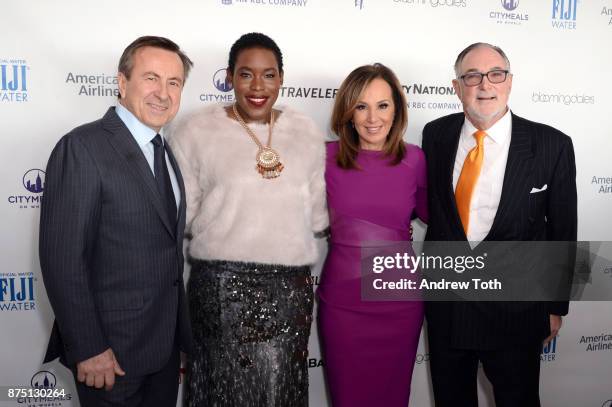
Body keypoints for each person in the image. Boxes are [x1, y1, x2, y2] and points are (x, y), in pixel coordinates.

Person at [168, 32, 328, 407]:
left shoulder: (304, 130)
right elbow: (182, 217)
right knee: (222, 391)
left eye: (268, 75)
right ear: (229, 77)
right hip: (221, 291)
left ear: (281, 78)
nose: (258, 86)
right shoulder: (195, 130)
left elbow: (319, 215)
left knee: (281, 390)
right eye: (246, 74)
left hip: (290, 292)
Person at [39, 36, 194, 407]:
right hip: (109, 357)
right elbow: (62, 259)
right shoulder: (82, 147)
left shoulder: (164, 148)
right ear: (122, 83)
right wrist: (88, 348)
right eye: (151, 78)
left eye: (174, 83)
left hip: (163, 352)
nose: (163, 92)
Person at [421, 42, 577, 406]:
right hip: (449, 308)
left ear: (509, 82)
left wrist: (555, 307)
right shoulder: (435, 135)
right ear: (456, 87)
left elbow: (563, 232)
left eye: (496, 74)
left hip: (517, 312)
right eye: (471, 76)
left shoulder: (552, 144)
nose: (484, 85)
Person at [317, 63, 428, 407]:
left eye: (382, 105)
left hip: (399, 304)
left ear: (397, 109)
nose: (372, 118)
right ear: (348, 112)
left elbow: (440, 219)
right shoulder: (324, 156)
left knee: (394, 397)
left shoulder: (416, 159)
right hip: (343, 306)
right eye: (361, 106)